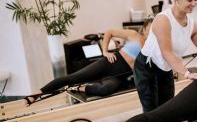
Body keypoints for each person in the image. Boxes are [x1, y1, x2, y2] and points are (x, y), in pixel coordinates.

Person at [24, 17, 154, 105]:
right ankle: (35, 95)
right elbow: (109, 32)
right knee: (73, 77)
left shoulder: (153, 47)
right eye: (150, 28)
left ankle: (79, 88)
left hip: (121, 76)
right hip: (110, 63)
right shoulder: (133, 35)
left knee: (106, 89)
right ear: (144, 28)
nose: (152, 31)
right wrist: (105, 51)